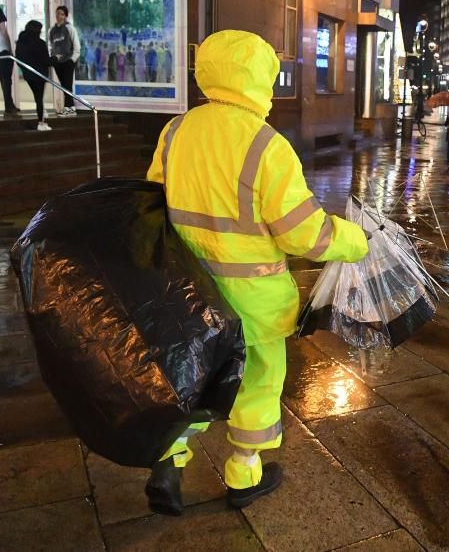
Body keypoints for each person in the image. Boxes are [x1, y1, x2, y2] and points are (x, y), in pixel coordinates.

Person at [145, 30, 368, 515]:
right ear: (262, 78)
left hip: (188, 295)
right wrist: (352, 240)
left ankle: (170, 459)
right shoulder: (265, 145)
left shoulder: (176, 131)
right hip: (254, 304)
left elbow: (153, 201)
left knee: (194, 379)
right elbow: (301, 234)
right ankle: (244, 472)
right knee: (258, 383)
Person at [14, 21, 52, 131]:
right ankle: (41, 122)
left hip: (29, 75)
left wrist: (25, 70)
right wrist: (56, 58)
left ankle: (42, 118)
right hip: (39, 75)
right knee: (39, 98)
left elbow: (18, 60)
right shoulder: (40, 43)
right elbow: (46, 61)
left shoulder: (21, 42)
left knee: (38, 98)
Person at [48, 5, 80, 116]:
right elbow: (50, 45)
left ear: (65, 16)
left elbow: (76, 45)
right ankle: (70, 107)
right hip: (57, 62)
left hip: (68, 61)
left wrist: (72, 59)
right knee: (64, 85)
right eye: (57, 13)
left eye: (61, 14)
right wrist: (52, 58)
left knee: (67, 85)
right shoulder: (51, 31)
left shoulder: (70, 28)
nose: (59, 16)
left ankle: (69, 108)